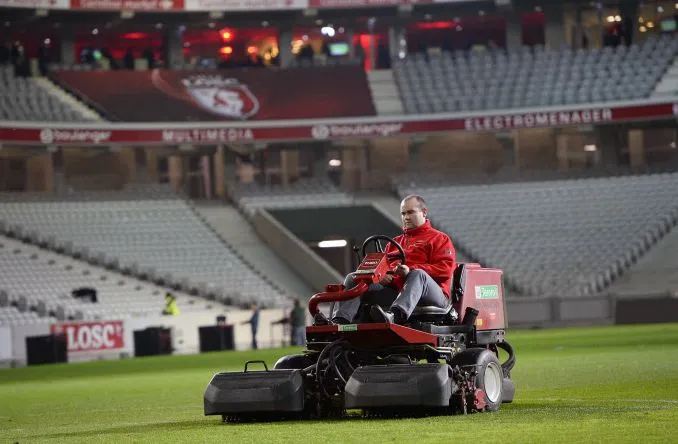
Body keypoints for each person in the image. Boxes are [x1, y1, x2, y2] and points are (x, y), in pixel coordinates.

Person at [332, 194, 456, 325]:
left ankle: (395, 315)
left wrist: (410, 270)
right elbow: (384, 268)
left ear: (424, 212)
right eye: (403, 213)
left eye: (410, 212)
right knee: (354, 277)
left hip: (433, 295)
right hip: (397, 290)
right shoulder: (394, 242)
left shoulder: (440, 239)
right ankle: (340, 321)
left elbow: (445, 270)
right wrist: (382, 275)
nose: (406, 217)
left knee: (418, 274)